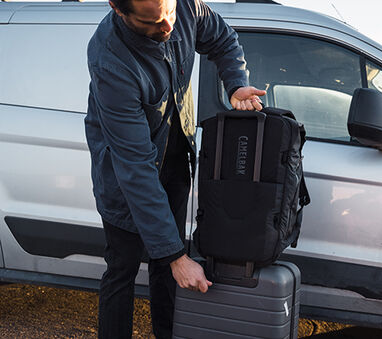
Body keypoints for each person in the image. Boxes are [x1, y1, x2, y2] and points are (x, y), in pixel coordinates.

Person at [84, 0, 266, 337]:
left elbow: (222, 40)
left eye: (169, 15)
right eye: (152, 23)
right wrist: (176, 256)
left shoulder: (185, 5)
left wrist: (235, 83)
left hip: (175, 161)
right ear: (118, 8)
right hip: (125, 179)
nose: (168, 27)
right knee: (122, 270)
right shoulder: (110, 60)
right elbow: (135, 167)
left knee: (166, 270)